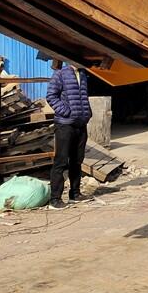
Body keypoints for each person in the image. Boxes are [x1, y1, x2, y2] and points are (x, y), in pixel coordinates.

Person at [46, 61, 93, 209]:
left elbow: (83, 97)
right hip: (65, 125)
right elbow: (51, 96)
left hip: (81, 124)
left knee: (77, 160)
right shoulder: (60, 74)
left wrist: (87, 114)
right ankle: (55, 199)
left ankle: (75, 193)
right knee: (61, 161)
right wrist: (67, 112)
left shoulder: (83, 75)